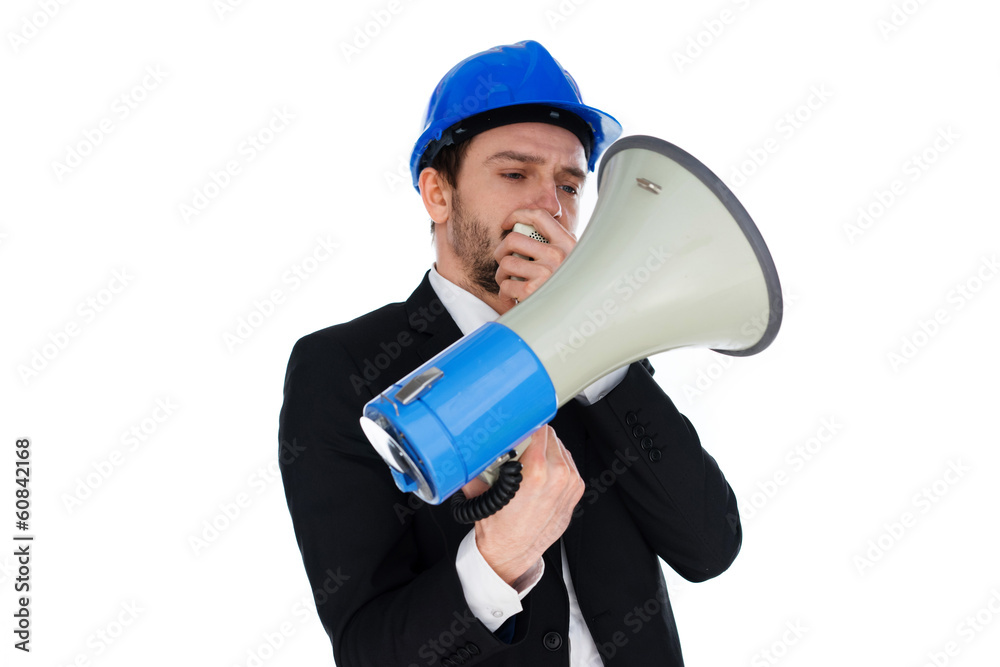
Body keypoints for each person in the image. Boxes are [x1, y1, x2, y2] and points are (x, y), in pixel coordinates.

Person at [278, 40, 741, 666]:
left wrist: (593, 342)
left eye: (569, 185)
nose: (548, 208)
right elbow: (369, 651)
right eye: (515, 173)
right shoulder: (343, 370)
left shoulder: (609, 361)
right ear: (438, 194)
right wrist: (497, 561)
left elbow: (709, 545)